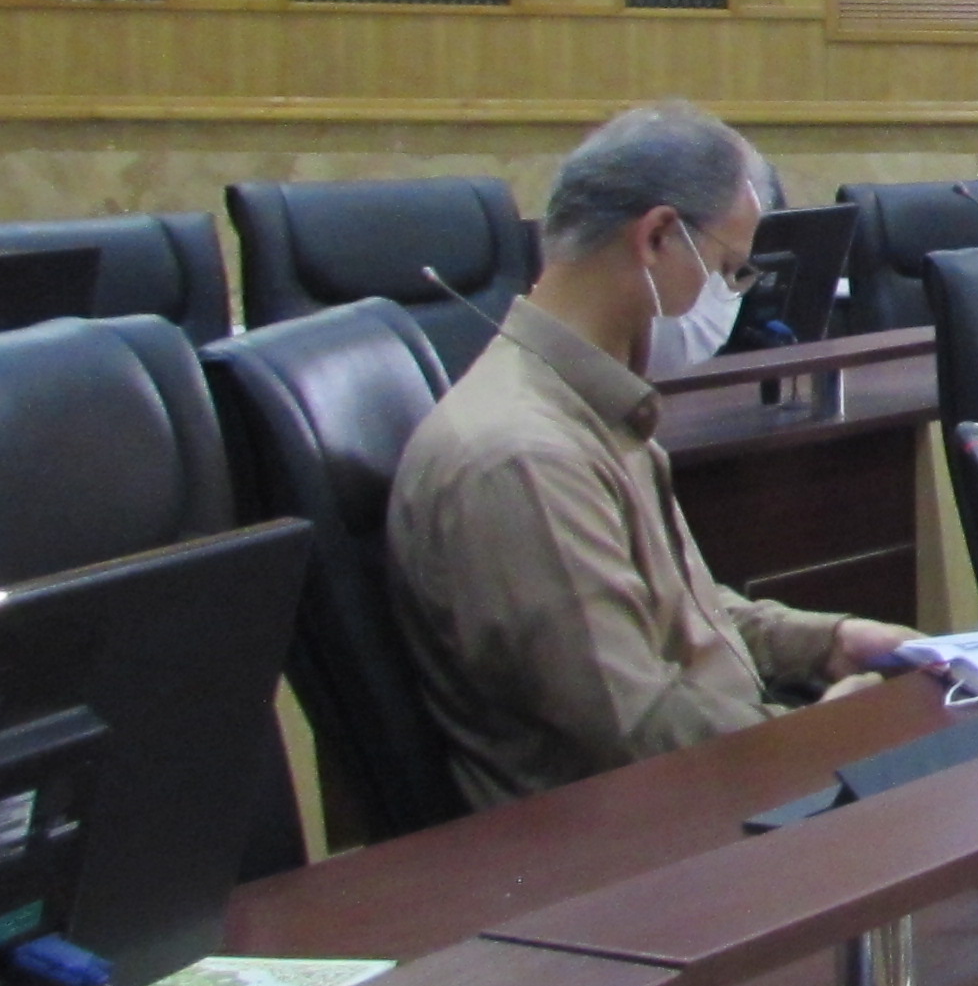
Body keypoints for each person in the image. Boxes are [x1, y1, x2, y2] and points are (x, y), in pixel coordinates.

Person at [387, 101, 919, 811]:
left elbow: (678, 616)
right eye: (730, 270)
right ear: (659, 237)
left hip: (714, 790)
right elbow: (637, 733)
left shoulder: (594, 406)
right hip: (635, 843)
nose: (729, 299)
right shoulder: (522, 457)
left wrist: (827, 643)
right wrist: (817, 738)